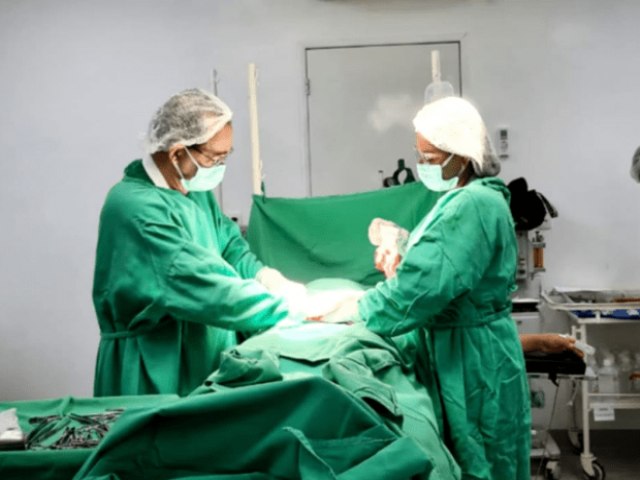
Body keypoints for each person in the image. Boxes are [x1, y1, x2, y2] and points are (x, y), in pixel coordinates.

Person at [320, 97, 531, 479]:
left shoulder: (473, 204)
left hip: (470, 360)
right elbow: (446, 260)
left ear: (462, 155)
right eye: (419, 155)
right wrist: (402, 246)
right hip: (471, 348)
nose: (422, 165)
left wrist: (353, 309)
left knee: (478, 458)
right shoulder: (471, 197)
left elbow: (420, 289)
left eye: (430, 158)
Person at [92, 88, 303, 397]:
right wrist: (292, 307)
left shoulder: (193, 189)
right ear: (177, 153)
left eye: (225, 157)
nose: (219, 166)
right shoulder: (134, 208)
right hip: (155, 366)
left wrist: (264, 276)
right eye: (214, 158)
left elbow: (229, 246)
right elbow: (204, 288)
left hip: (202, 350)